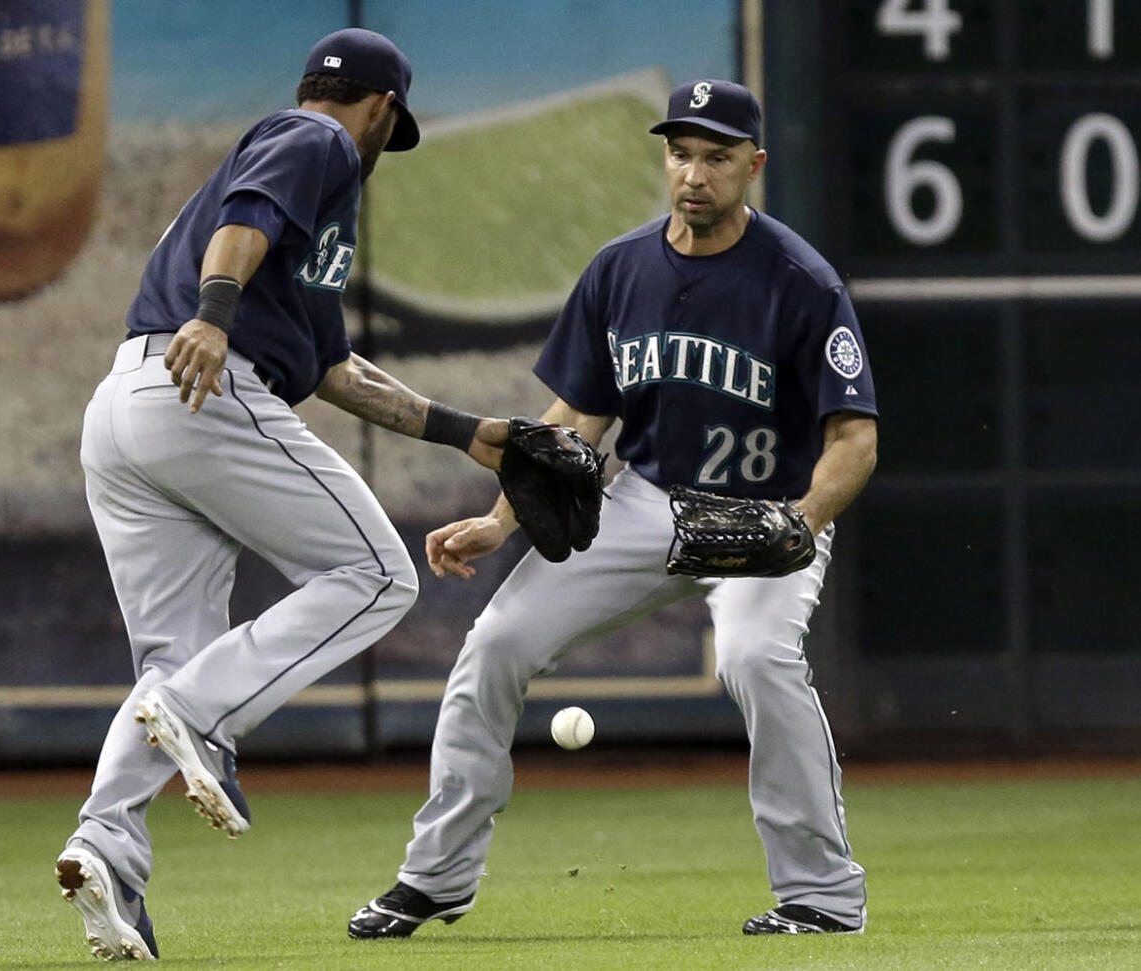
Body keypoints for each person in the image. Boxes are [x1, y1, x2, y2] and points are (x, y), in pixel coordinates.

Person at [348, 79, 878, 940]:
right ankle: (435, 878)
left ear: (754, 165)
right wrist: (500, 518)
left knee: (755, 657)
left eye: (716, 157)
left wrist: (803, 522)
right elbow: (575, 424)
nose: (694, 174)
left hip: (767, 512)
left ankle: (821, 894)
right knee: (496, 643)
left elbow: (854, 438)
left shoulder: (800, 282)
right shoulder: (621, 268)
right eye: (680, 153)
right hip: (647, 502)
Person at [54, 28, 510, 961]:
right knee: (379, 574)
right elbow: (243, 224)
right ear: (383, 110)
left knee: (173, 665)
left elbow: (337, 369)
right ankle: (200, 716)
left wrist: (469, 433)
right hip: (198, 386)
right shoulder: (321, 143)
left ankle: (106, 847)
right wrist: (214, 317)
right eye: (391, 125)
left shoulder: (306, 224)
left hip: (125, 413)